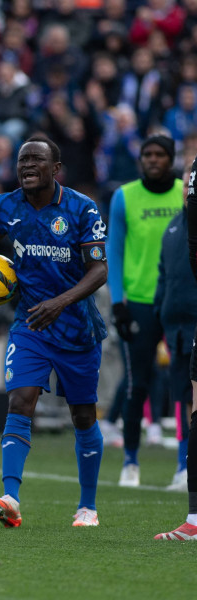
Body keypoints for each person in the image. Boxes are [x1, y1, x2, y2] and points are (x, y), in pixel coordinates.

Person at [0, 135, 108, 528]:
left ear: (55, 169)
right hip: (30, 325)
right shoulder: (7, 206)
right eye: (23, 160)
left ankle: (88, 506)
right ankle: (10, 497)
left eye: (36, 161)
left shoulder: (81, 208)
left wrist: (61, 302)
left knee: (82, 417)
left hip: (77, 330)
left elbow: (99, 270)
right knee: (21, 401)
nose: (26, 166)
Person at [107, 134, 182, 487]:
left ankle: (184, 465)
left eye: (160, 154)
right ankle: (131, 462)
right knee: (137, 384)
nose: (153, 159)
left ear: (171, 158)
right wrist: (118, 302)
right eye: (147, 154)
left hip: (178, 300)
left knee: (185, 386)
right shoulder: (124, 197)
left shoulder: (186, 193)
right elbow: (115, 250)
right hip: (137, 302)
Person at [155, 151, 197, 540]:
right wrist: (159, 314)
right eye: (185, 183)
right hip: (177, 328)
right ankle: (185, 465)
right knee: (184, 400)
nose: (188, 188)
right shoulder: (172, 229)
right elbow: (164, 278)